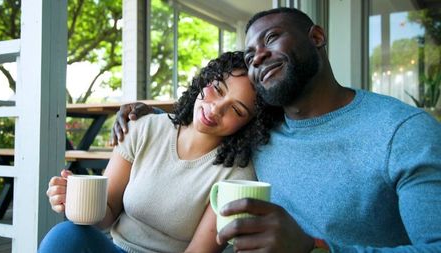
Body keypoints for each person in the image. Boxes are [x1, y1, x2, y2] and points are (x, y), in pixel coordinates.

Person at [110, 7, 441, 253]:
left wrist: (314, 249)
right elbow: (207, 124)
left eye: (271, 38)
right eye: (250, 53)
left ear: (317, 37)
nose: (258, 57)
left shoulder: (403, 132)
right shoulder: (262, 136)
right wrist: (147, 115)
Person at [38, 51, 279, 253]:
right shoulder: (144, 127)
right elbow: (108, 211)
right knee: (66, 234)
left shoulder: (236, 175)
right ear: (205, 80)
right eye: (217, 88)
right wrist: (75, 200)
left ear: (248, 125)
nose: (215, 109)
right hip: (116, 248)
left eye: (236, 110)